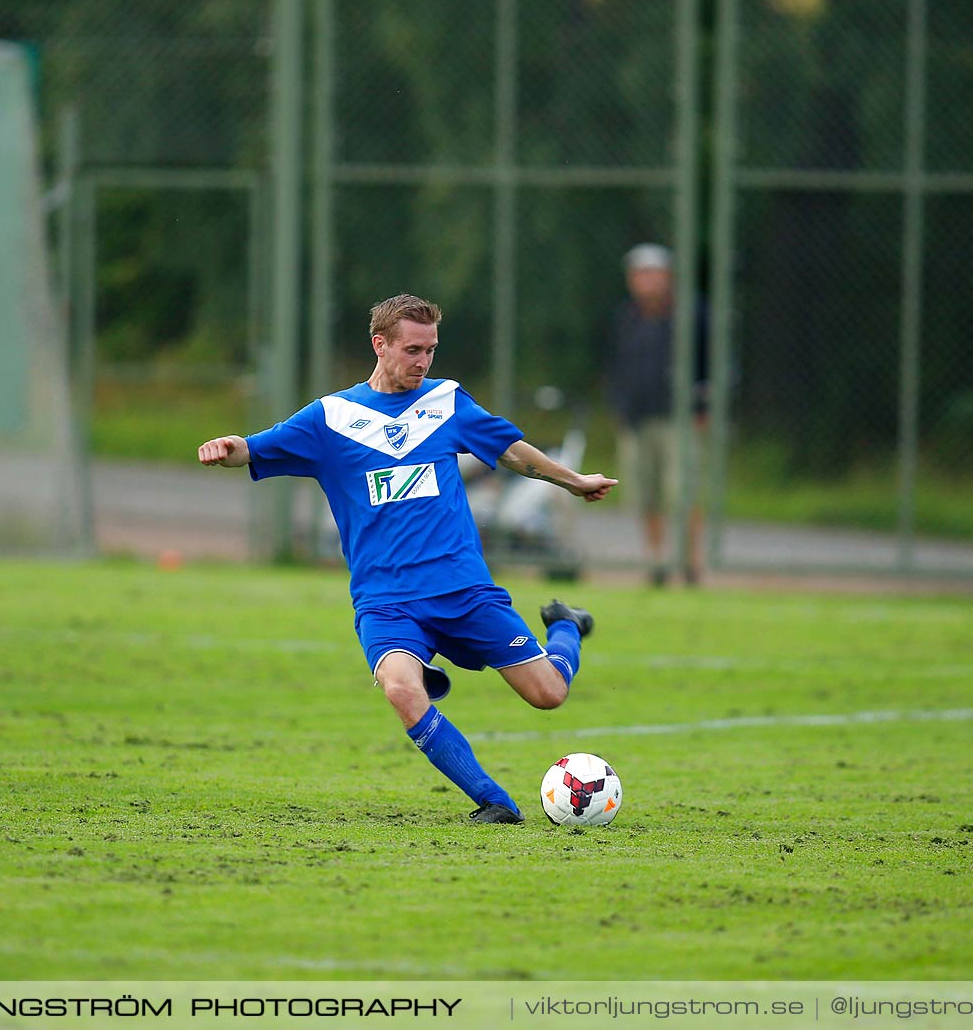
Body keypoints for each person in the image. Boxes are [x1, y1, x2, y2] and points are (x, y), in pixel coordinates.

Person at [198, 294, 617, 824]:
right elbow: (255, 448)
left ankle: (567, 628)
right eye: (413, 350)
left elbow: (513, 452)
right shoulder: (332, 417)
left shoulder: (446, 402)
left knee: (548, 694)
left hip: (462, 588)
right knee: (400, 689)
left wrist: (575, 481)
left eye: (431, 351)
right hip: (386, 600)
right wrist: (228, 447)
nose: (423, 362)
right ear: (381, 345)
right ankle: (495, 802)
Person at [607, 242, 707, 586]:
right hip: (638, 419)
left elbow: (710, 363)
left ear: (667, 277)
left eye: (652, 273)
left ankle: (691, 562)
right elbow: (617, 367)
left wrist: (703, 407)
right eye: (638, 274)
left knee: (682, 492)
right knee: (646, 494)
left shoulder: (690, 315)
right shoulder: (627, 318)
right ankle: (657, 561)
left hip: (678, 419)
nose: (644, 280)